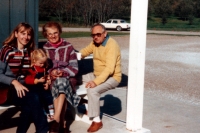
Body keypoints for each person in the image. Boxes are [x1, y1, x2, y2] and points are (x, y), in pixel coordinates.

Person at [0, 22, 49, 133]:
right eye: (23, 33)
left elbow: (37, 70)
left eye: (29, 34)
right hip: (5, 89)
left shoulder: (30, 53)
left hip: (24, 87)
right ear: (16, 34)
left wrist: (45, 80)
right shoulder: (6, 50)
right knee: (33, 98)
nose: (26, 37)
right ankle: (43, 129)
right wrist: (14, 82)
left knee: (31, 103)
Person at [79, 23, 122, 132]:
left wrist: (95, 82)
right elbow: (85, 51)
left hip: (112, 77)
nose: (95, 37)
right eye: (93, 35)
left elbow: (109, 69)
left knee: (93, 90)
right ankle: (85, 105)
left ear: (105, 33)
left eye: (98, 34)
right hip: (97, 74)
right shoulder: (95, 42)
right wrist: (75, 56)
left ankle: (97, 121)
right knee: (75, 79)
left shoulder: (112, 45)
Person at [42, 21, 82, 133]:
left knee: (62, 82)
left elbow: (74, 68)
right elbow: (43, 67)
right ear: (46, 35)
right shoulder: (44, 49)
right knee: (59, 83)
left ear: (59, 32)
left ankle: (56, 120)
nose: (53, 36)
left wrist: (62, 72)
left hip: (69, 78)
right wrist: (51, 73)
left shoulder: (68, 47)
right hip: (52, 80)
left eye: (55, 33)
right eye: (50, 34)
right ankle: (62, 123)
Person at [24, 49, 54, 121]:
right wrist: (37, 81)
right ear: (34, 60)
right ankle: (44, 115)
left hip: (43, 88)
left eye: (44, 63)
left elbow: (46, 77)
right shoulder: (32, 69)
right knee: (40, 101)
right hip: (35, 88)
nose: (42, 65)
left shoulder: (43, 68)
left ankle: (52, 113)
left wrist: (47, 82)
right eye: (40, 63)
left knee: (49, 98)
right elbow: (27, 80)